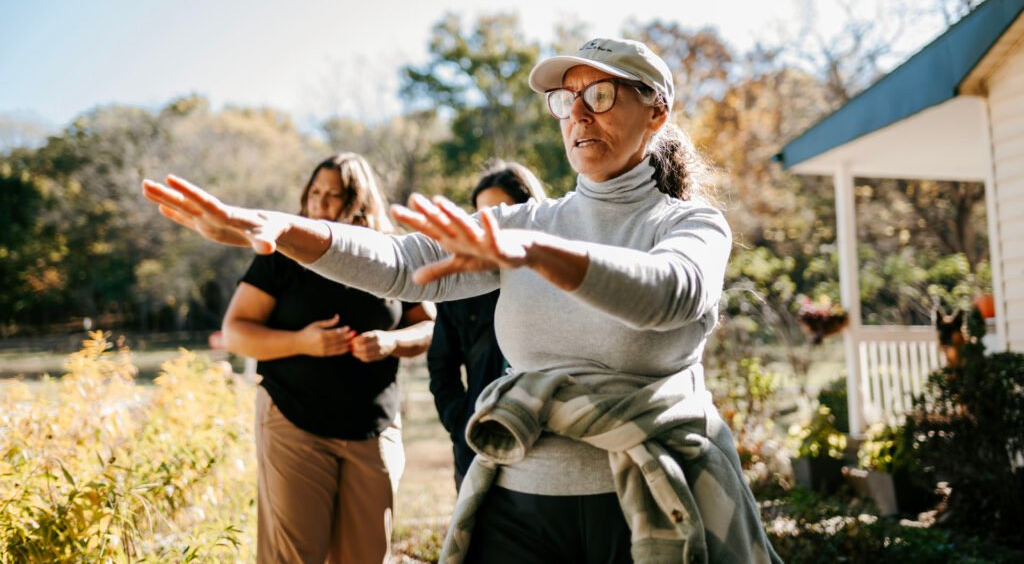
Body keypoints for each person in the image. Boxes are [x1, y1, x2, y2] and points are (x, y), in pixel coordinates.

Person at [143, 38, 781, 563]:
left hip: (648, 511)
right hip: (522, 512)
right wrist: (282, 229)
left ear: (657, 112)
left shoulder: (688, 224)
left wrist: (531, 253)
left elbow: (670, 293)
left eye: (602, 95)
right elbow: (403, 263)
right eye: (567, 100)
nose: (580, 115)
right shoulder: (528, 222)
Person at [219, 153, 434, 564]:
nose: (319, 202)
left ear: (360, 201)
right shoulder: (282, 251)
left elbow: (428, 328)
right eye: (314, 192)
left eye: (333, 195)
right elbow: (236, 331)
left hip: (374, 426)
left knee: (367, 556)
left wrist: (391, 342)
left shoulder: (390, 253)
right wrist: (303, 342)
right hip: (294, 421)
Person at [427, 161, 547, 490]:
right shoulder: (460, 285)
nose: (490, 225)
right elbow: (441, 363)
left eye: (501, 213)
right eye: (481, 216)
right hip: (475, 452)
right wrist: (459, 420)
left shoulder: (557, 279)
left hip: (547, 449)